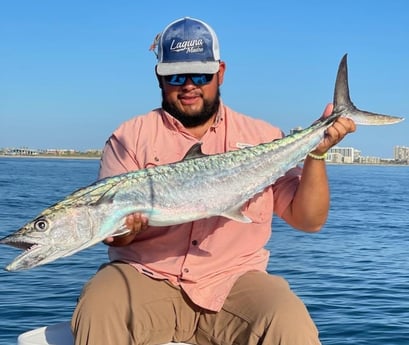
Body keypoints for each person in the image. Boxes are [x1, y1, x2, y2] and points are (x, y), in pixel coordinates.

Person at [71, 17, 356, 345]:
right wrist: (124, 232)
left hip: (234, 283)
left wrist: (316, 154)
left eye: (201, 75)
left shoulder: (262, 137)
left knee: (287, 319)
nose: (189, 85)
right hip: (146, 276)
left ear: (220, 73)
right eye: (175, 76)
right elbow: (110, 235)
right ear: (159, 78)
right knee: (99, 305)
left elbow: (308, 220)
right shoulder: (129, 138)